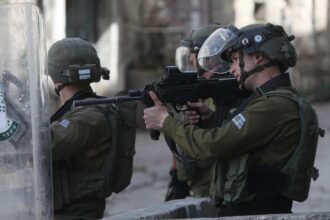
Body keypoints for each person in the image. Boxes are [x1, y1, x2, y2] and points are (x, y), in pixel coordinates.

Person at [144, 23, 321, 216]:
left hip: (254, 212)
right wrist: (210, 118)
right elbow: (243, 142)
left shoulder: (271, 107)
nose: (233, 68)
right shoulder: (272, 101)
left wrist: (165, 122)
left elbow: (212, 146)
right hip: (254, 210)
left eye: (236, 59)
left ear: (258, 57)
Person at [165, 23, 231, 201]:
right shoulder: (197, 86)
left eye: (193, 55)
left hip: (216, 185)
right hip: (197, 182)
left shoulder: (227, 88)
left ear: (210, 56)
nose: (191, 61)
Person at [48, 38, 112, 219]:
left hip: (74, 213)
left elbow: (44, 146)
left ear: (55, 76)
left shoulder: (88, 117)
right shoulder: (80, 110)